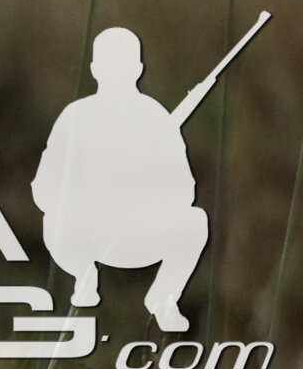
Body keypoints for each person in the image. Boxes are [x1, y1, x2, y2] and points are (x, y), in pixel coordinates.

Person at [37, 25, 212, 331]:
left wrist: (144, 185)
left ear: (138, 70)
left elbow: (185, 191)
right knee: (53, 219)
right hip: (86, 235)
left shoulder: (156, 118)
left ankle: (164, 298)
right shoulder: (75, 117)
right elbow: (44, 190)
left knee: (195, 221)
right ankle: (84, 277)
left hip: (139, 234)